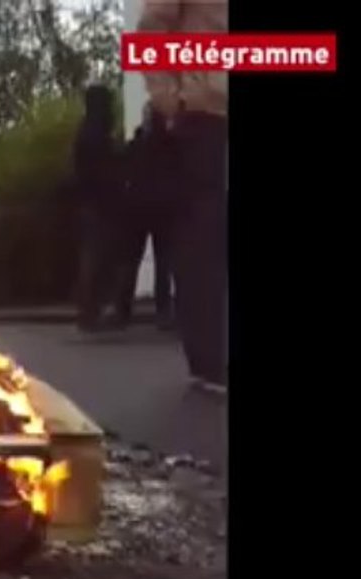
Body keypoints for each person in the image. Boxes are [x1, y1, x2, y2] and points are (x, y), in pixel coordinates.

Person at [138, 0, 228, 394]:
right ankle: (209, 362)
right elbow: (150, 29)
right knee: (202, 241)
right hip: (204, 116)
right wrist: (170, 100)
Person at [115, 105, 177, 329]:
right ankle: (163, 311)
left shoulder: (135, 145)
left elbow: (122, 171)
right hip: (162, 210)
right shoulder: (170, 145)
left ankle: (122, 310)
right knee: (164, 261)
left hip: (136, 211)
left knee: (131, 260)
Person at [72, 84, 122, 332]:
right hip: (101, 203)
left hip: (90, 202)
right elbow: (103, 170)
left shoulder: (86, 131)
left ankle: (89, 310)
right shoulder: (99, 134)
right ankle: (91, 310)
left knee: (93, 256)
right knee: (96, 257)